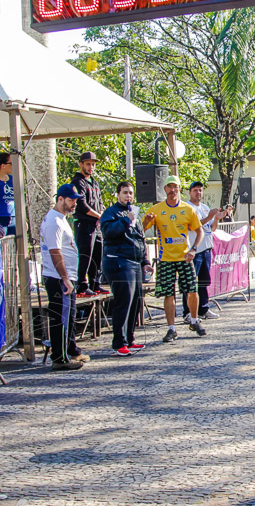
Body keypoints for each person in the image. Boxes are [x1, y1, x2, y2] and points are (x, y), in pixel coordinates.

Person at [143, 176, 206, 343]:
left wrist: (193, 249)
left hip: (185, 257)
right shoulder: (156, 209)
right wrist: (146, 221)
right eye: (169, 187)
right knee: (168, 294)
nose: (172, 190)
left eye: (175, 187)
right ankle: (171, 328)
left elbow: (200, 231)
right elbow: (141, 230)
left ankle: (194, 320)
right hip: (166, 258)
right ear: (165, 189)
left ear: (179, 189)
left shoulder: (187, 209)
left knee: (192, 290)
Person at [40, 184, 88, 371]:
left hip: (67, 275)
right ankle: (59, 357)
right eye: (71, 200)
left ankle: (70, 349)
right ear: (60, 199)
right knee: (60, 316)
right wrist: (65, 278)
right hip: (58, 276)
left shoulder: (61, 218)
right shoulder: (54, 221)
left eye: (75, 200)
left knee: (69, 315)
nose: (74, 204)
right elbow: (55, 251)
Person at [99, 181, 150, 356]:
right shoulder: (111, 213)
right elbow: (108, 232)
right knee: (124, 301)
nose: (128, 196)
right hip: (118, 261)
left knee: (136, 301)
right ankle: (119, 342)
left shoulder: (134, 213)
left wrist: (145, 261)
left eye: (130, 193)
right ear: (118, 194)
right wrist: (125, 220)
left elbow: (140, 238)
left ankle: (130, 338)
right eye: (125, 192)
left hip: (135, 262)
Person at [188, 180, 231, 321]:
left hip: (206, 248)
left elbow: (211, 228)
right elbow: (193, 226)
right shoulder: (187, 207)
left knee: (204, 282)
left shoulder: (205, 207)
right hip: (194, 249)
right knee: (190, 282)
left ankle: (203, 309)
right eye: (195, 190)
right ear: (190, 192)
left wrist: (217, 218)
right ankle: (188, 312)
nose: (198, 193)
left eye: (200, 190)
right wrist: (210, 217)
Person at [71, 152, 105, 297]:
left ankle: (95, 283)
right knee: (85, 254)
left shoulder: (94, 182)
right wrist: (98, 216)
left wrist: (102, 214)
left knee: (98, 253)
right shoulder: (78, 182)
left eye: (93, 164)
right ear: (81, 164)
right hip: (84, 223)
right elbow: (82, 205)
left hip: (96, 225)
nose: (91, 167)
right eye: (88, 164)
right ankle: (81, 285)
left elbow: (100, 202)